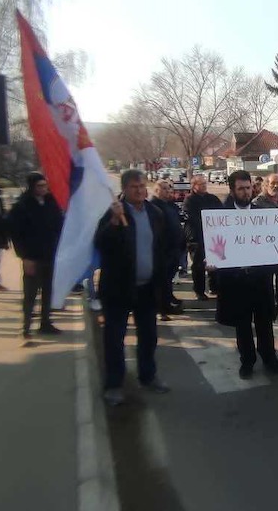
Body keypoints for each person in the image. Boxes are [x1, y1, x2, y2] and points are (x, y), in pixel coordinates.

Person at [95, 170, 169, 406]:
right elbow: (100, 244)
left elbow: (161, 247)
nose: (140, 190)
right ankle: (114, 385)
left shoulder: (154, 213)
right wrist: (115, 223)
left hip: (147, 288)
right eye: (135, 186)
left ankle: (148, 376)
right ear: (125, 189)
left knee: (148, 336)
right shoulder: (113, 212)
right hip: (118, 289)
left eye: (142, 186)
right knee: (115, 338)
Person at [214, 170, 278, 378]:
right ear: (232, 190)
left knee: (265, 323)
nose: (246, 192)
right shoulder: (220, 215)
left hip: (260, 280)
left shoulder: (259, 212)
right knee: (242, 324)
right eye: (241, 189)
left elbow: (272, 243)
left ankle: (269, 357)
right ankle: (247, 360)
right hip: (236, 282)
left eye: (248, 188)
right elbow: (215, 246)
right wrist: (213, 260)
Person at [7, 172, 64, 338]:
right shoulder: (22, 206)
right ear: (32, 187)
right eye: (39, 186)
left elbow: (58, 226)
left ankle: (45, 323)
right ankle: (25, 327)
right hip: (32, 257)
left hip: (50, 255)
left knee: (48, 291)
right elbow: (16, 234)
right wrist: (24, 257)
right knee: (30, 293)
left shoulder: (51, 202)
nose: (43, 189)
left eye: (45, 185)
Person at [253, 173, 278, 319]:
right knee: (267, 280)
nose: (276, 186)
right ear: (266, 185)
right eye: (272, 183)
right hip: (266, 247)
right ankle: (268, 306)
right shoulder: (258, 202)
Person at [183, 174, 222, 300]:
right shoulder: (190, 200)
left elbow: (221, 212)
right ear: (194, 186)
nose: (204, 186)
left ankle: (214, 287)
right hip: (196, 236)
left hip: (213, 236)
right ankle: (199, 291)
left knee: (214, 262)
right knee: (198, 265)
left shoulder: (212, 198)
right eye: (201, 184)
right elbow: (190, 216)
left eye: (205, 184)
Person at [150, 180, 184, 321]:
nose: (167, 191)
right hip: (161, 250)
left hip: (173, 249)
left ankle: (167, 304)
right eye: (163, 188)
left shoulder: (169, 205)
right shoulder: (153, 206)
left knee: (168, 280)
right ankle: (160, 309)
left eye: (168, 188)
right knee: (160, 282)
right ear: (156, 190)